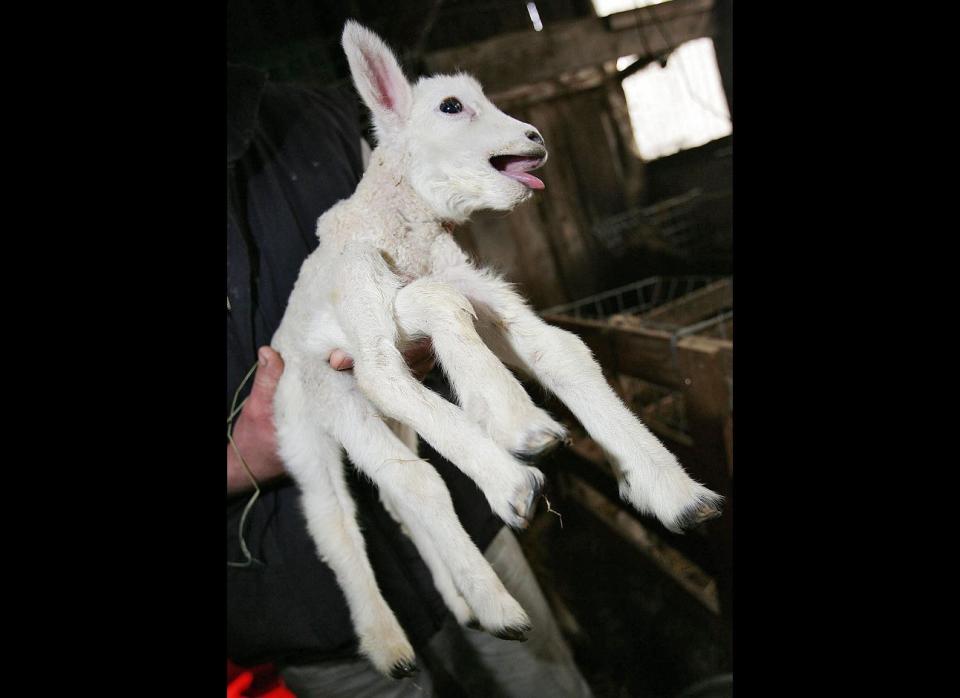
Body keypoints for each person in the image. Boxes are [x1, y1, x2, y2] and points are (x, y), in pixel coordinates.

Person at [227, 62, 593, 697]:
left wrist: (420, 326)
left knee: (545, 683)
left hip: (465, 510)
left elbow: (416, 233)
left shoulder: (318, 120)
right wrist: (240, 460)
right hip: (302, 597)